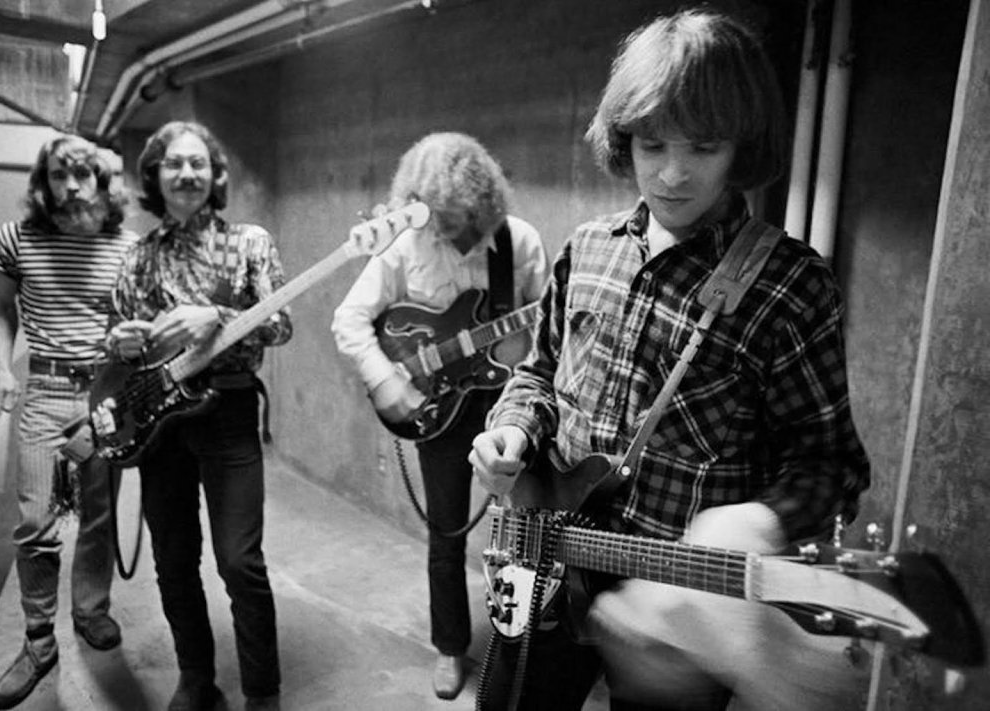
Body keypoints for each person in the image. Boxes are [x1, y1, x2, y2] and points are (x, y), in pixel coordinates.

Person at [468, 9, 871, 711]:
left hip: (680, 604)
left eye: (705, 147)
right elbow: (538, 371)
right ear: (624, 141)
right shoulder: (587, 248)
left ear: (742, 149)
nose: (674, 173)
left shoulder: (790, 284)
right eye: (652, 144)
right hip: (546, 552)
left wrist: (760, 521)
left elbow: (830, 467)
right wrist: (515, 429)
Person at [332, 132, 549, 700]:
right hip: (436, 409)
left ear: (484, 204)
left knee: (526, 532)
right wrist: (386, 380)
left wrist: (520, 352)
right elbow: (350, 320)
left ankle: (522, 645)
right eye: (432, 220)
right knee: (445, 533)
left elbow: (546, 337)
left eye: (454, 219)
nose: (443, 232)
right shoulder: (406, 244)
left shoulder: (519, 242)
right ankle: (450, 647)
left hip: (511, 403)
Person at [107, 120, 292, 711]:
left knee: (241, 561)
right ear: (154, 178)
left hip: (229, 409)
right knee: (174, 558)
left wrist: (215, 313)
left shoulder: (250, 242)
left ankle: (262, 690)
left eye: (197, 164)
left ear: (215, 176)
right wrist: (126, 340)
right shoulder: (138, 256)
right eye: (172, 165)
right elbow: (122, 343)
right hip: (160, 421)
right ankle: (196, 677)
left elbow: (281, 324)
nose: (186, 174)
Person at [0, 134, 137, 710]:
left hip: (106, 391)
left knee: (98, 517)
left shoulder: (129, 246)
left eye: (82, 173)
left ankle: (91, 611)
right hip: (45, 391)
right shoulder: (16, 239)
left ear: (102, 181)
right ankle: (38, 638)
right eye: (57, 175)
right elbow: (0, 310)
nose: (70, 185)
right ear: (42, 182)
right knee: (35, 522)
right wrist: (3, 368)